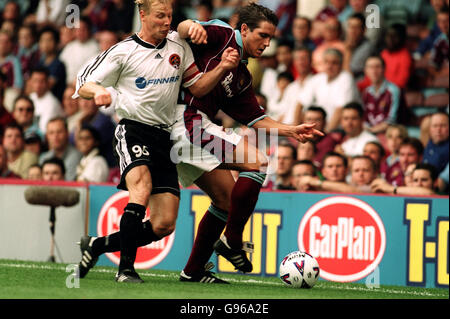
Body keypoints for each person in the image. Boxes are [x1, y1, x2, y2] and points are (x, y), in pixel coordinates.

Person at [73, 0, 241, 283]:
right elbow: (83, 82)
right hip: (133, 130)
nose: (167, 22)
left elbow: (197, 86)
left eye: (170, 16)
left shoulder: (178, 46)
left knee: (163, 223)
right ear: (143, 15)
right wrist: (98, 91)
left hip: (165, 136)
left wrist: (222, 67)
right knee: (141, 187)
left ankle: (97, 245)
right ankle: (125, 270)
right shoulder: (123, 51)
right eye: (160, 16)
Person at [297, 48, 360, 132]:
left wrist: (326, 133)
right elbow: (299, 104)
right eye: (326, 62)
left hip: (338, 130)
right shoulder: (318, 78)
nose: (329, 66)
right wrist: (296, 129)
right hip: (318, 128)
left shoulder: (346, 78)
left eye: (334, 63)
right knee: (275, 136)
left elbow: (340, 110)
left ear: (341, 65)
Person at [361, 55, 401, 136]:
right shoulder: (366, 91)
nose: (374, 71)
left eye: (377, 67)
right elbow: (365, 118)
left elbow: (391, 120)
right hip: (370, 132)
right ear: (365, 71)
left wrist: (372, 131)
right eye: (370, 67)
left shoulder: (393, 90)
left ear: (384, 69)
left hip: (389, 133)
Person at [39, 117, 82, 181]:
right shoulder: (44, 157)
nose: (55, 136)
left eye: (59, 132)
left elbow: (68, 183)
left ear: (67, 133)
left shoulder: (76, 156)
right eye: (51, 133)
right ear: (47, 136)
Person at [28, 67, 64, 134]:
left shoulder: (52, 103)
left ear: (48, 82)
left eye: (41, 81)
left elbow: (44, 131)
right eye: (35, 81)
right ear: (30, 82)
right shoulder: (31, 97)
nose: (38, 85)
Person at [371, 163, 438, 196]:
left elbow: (428, 193)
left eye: (424, 180)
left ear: (435, 182)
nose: (419, 184)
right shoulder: (404, 194)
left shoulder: (441, 197)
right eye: (415, 180)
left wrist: (389, 188)